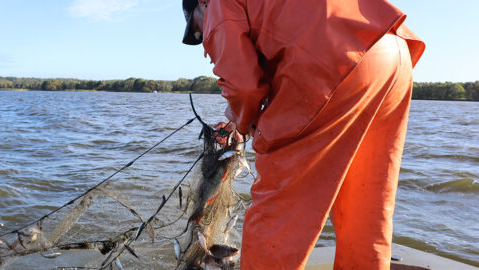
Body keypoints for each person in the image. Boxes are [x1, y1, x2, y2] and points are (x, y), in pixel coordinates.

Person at [181, 0, 425, 269]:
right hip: (392, 53)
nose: (202, 37)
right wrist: (246, 120)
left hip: (334, 63)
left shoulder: (216, 4)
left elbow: (244, 89)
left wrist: (241, 123)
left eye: (197, 29)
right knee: (365, 213)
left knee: (275, 218)